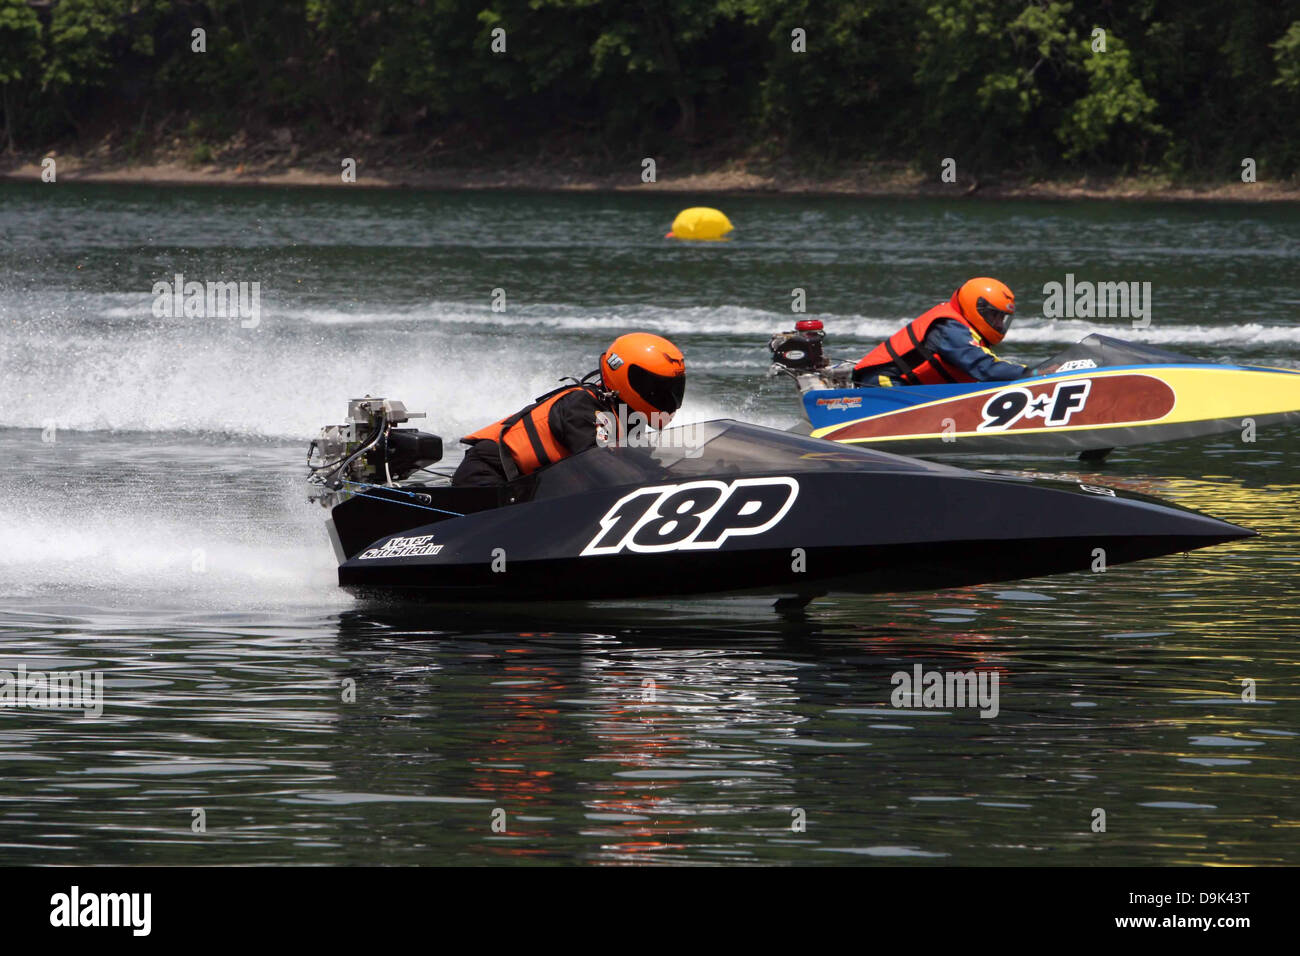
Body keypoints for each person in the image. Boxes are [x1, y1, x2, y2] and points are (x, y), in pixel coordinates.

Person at [451, 332, 686, 487]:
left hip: (524, 490)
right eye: (656, 387)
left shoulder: (629, 418)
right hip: (487, 478)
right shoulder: (582, 406)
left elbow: (642, 464)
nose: (666, 397)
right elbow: (599, 464)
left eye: (671, 388)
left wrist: (680, 481)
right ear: (624, 376)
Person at [852, 277, 1029, 386]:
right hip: (883, 385)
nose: (999, 324)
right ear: (977, 308)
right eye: (994, 315)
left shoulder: (965, 331)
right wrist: (1032, 374)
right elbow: (985, 368)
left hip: (910, 389)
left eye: (1002, 318)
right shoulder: (949, 329)